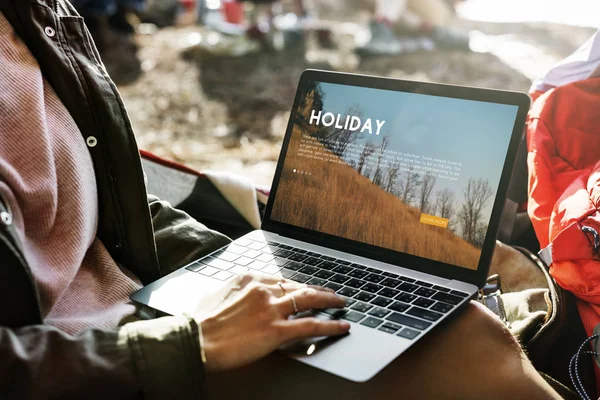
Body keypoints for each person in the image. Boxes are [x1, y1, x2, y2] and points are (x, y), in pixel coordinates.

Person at [0, 1, 564, 399]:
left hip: (149, 309)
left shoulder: (35, 18)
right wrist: (191, 343)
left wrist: (240, 262)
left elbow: (100, 213)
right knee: (467, 346)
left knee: (457, 326)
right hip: (115, 357)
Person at [357, 0, 470, 56]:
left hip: (436, 20)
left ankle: (383, 29)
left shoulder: (444, 12)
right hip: (419, 24)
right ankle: (383, 28)